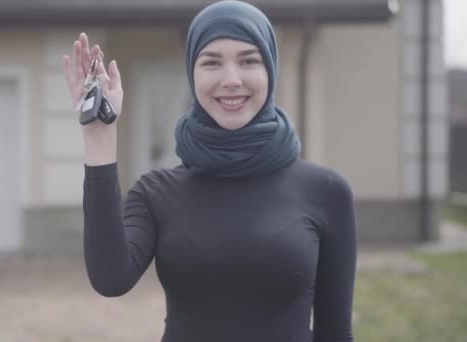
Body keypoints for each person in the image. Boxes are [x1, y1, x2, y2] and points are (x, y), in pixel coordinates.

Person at [62, 1, 356, 341]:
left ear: (270, 70)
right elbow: (110, 278)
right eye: (211, 62)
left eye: (249, 60)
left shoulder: (326, 191)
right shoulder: (156, 193)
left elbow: (335, 333)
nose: (231, 80)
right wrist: (99, 134)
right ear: (192, 73)